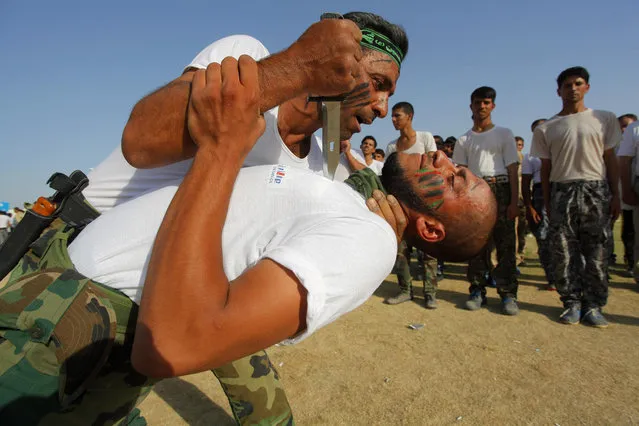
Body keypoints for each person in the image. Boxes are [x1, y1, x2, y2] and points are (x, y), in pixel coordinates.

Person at [0, 56, 498, 424]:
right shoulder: (355, 207)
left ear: (432, 228)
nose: (446, 162)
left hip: (58, 346)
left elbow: (177, 343)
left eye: (456, 181)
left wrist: (219, 150)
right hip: (48, 305)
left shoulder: (371, 241)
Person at [81, 12, 409, 212]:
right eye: (378, 83)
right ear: (340, 59)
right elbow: (141, 140)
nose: (382, 109)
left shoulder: (319, 168)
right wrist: (301, 64)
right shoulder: (245, 57)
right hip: (66, 256)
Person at [530, 66, 621, 328]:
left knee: (598, 250)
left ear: (587, 87)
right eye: (567, 85)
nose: (572, 89)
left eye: (578, 84)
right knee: (563, 251)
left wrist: (615, 194)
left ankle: (593, 305)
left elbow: (610, 159)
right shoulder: (547, 128)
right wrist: (547, 201)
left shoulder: (604, 119)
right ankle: (571, 303)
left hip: (596, 189)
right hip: (561, 190)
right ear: (558, 91)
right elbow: (545, 169)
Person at [452, 86, 520, 315]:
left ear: (493, 106)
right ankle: (477, 291)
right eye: (478, 102)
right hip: (475, 192)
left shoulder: (504, 133)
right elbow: (460, 174)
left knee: (505, 245)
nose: (482, 106)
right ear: (471, 106)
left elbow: (512, 169)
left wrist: (513, 201)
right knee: (477, 245)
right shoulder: (464, 139)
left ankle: (508, 294)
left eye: (487, 102)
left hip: (500, 187)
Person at [383, 101, 440, 308]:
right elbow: (390, 176)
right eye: (392, 116)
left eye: (397, 115)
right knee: (401, 249)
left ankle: (430, 292)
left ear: (410, 116)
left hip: (424, 204)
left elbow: (433, 169)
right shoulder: (391, 147)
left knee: (428, 250)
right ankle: (405, 290)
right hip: (401, 204)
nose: (393, 119)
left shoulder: (425, 138)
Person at [522, 118, 555, 290]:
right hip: (540, 194)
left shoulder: (560, 152)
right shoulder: (530, 157)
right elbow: (526, 182)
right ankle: (552, 278)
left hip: (560, 189)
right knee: (543, 238)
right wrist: (530, 206)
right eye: (537, 130)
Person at [618, 118, 639, 284]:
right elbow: (624, 162)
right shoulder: (634, 129)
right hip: (635, 185)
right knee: (633, 232)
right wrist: (626, 189)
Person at [515, 136, 528, 265]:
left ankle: (521, 254)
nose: (517, 147)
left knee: (522, 230)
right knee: (513, 230)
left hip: (524, 199)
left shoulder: (527, 160)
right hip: (515, 200)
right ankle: (516, 258)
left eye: (519, 145)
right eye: (515, 145)